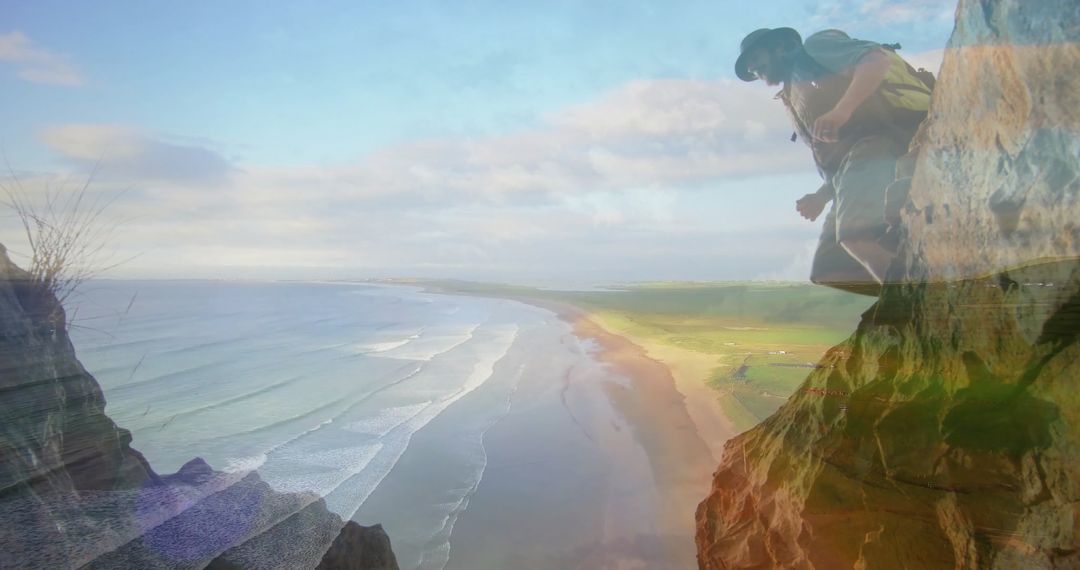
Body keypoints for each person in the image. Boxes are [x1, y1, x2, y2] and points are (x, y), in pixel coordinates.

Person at [735, 28, 932, 295]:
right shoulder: (794, 91)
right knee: (829, 268)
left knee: (856, 236)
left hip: (879, 139)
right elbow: (837, 160)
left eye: (755, 57)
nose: (753, 67)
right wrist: (821, 196)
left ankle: (915, 302)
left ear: (780, 46)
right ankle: (906, 280)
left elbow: (875, 60)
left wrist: (841, 111)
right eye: (749, 66)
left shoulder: (816, 47)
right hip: (851, 166)